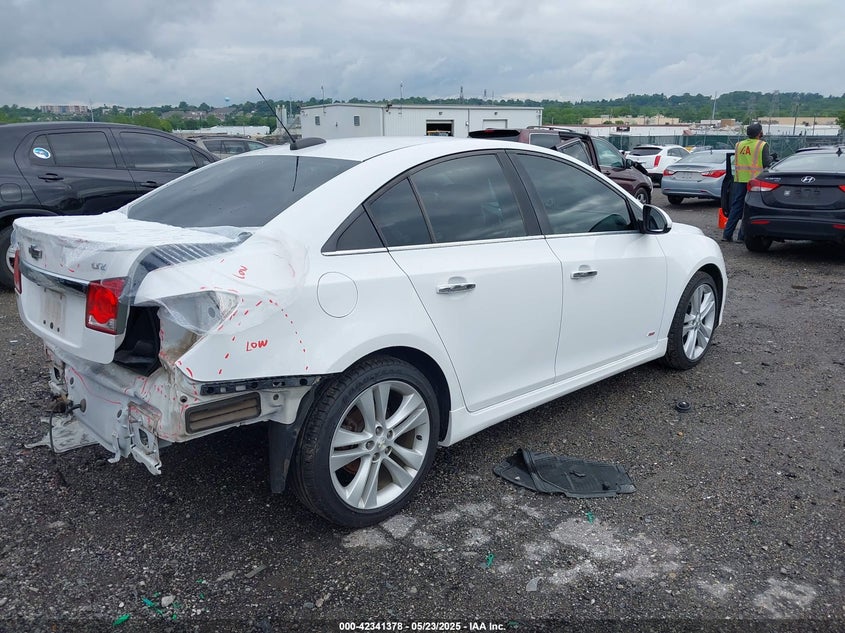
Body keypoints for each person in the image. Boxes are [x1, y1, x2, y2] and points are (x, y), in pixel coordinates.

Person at [723, 122, 772, 242]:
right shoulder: (762, 145)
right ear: (760, 133)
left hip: (739, 179)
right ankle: (741, 236)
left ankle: (727, 234)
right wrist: (772, 157)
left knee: (736, 207)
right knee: (748, 208)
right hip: (754, 181)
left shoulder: (739, 144)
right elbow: (766, 162)